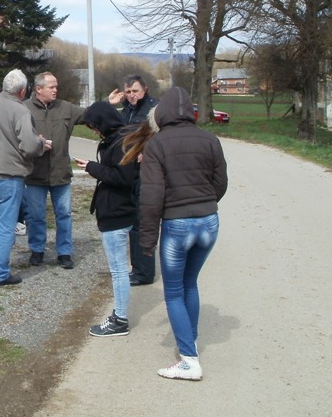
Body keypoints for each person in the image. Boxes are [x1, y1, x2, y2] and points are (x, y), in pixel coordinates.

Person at [137, 86, 228, 380]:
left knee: (174, 292)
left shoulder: (156, 144)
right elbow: (220, 182)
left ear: (161, 114)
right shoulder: (210, 139)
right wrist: (204, 203)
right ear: (191, 111)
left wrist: (147, 239)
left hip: (178, 226)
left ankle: (189, 360)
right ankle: (190, 341)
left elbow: (151, 196)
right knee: (190, 283)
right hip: (208, 223)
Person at [0, 69, 48, 286]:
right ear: (23, 91)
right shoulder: (20, 110)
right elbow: (29, 145)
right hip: (8, 174)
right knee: (7, 224)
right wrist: (42, 143)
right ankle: (0, 273)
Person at [77, 102, 137, 336]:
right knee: (120, 269)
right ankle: (119, 316)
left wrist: (93, 168)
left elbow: (122, 177)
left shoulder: (121, 142)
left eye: (94, 127)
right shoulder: (119, 138)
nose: (94, 131)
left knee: (119, 270)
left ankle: (120, 320)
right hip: (117, 210)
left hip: (117, 213)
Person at [24, 72, 85, 269]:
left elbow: (88, 115)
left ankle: (64, 252)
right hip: (35, 173)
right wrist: (36, 142)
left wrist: (107, 104)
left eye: (56, 86)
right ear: (38, 89)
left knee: (64, 214)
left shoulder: (65, 107)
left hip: (60, 172)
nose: (55, 90)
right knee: (35, 216)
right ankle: (37, 250)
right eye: (51, 87)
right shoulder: (24, 109)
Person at [109, 74, 159, 286]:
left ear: (145, 89)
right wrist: (109, 105)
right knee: (132, 223)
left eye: (135, 91)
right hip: (129, 173)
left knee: (142, 223)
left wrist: (149, 150)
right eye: (128, 92)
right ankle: (136, 268)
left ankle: (145, 273)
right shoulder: (126, 111)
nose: (132, 95)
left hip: (147, 174)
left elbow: (163, 134)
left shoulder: (155, 109)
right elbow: (107, 126)